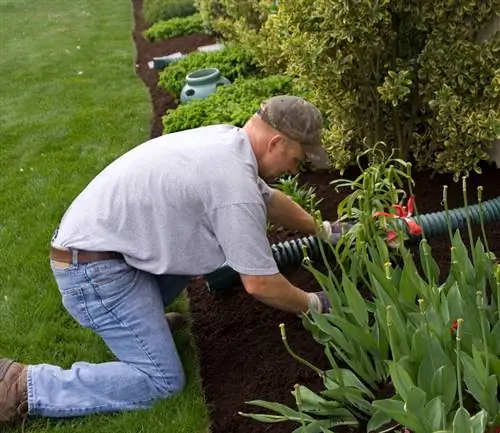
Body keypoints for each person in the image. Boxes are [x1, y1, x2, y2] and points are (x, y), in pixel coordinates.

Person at [0, 95, 350, 424]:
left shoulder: (227, 143)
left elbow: (270, 200)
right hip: (90, 274)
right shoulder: (232, 183)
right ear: (276, 143)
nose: (293, 169)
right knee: (162, 382)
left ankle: (142, 319)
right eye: (296, 159)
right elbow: (259, 282)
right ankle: (25, 385)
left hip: (98, 251)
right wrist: (315, 303)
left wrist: (322, 229)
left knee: (202, 246)